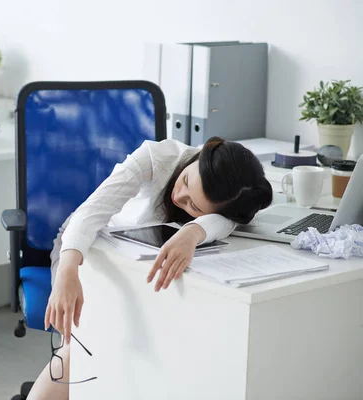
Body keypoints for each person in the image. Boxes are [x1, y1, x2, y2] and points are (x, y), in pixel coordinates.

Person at [25, 137, 273, 400]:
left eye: (194, 207)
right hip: (82, 254)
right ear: (202, 154)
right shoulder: (157, 157)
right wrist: (66, 272)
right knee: (81, 346)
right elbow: (90, 214)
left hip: (139, 270)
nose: (179, 197)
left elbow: (227, 222)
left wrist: (194, 231)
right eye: (186, 182)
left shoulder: (231, 193)